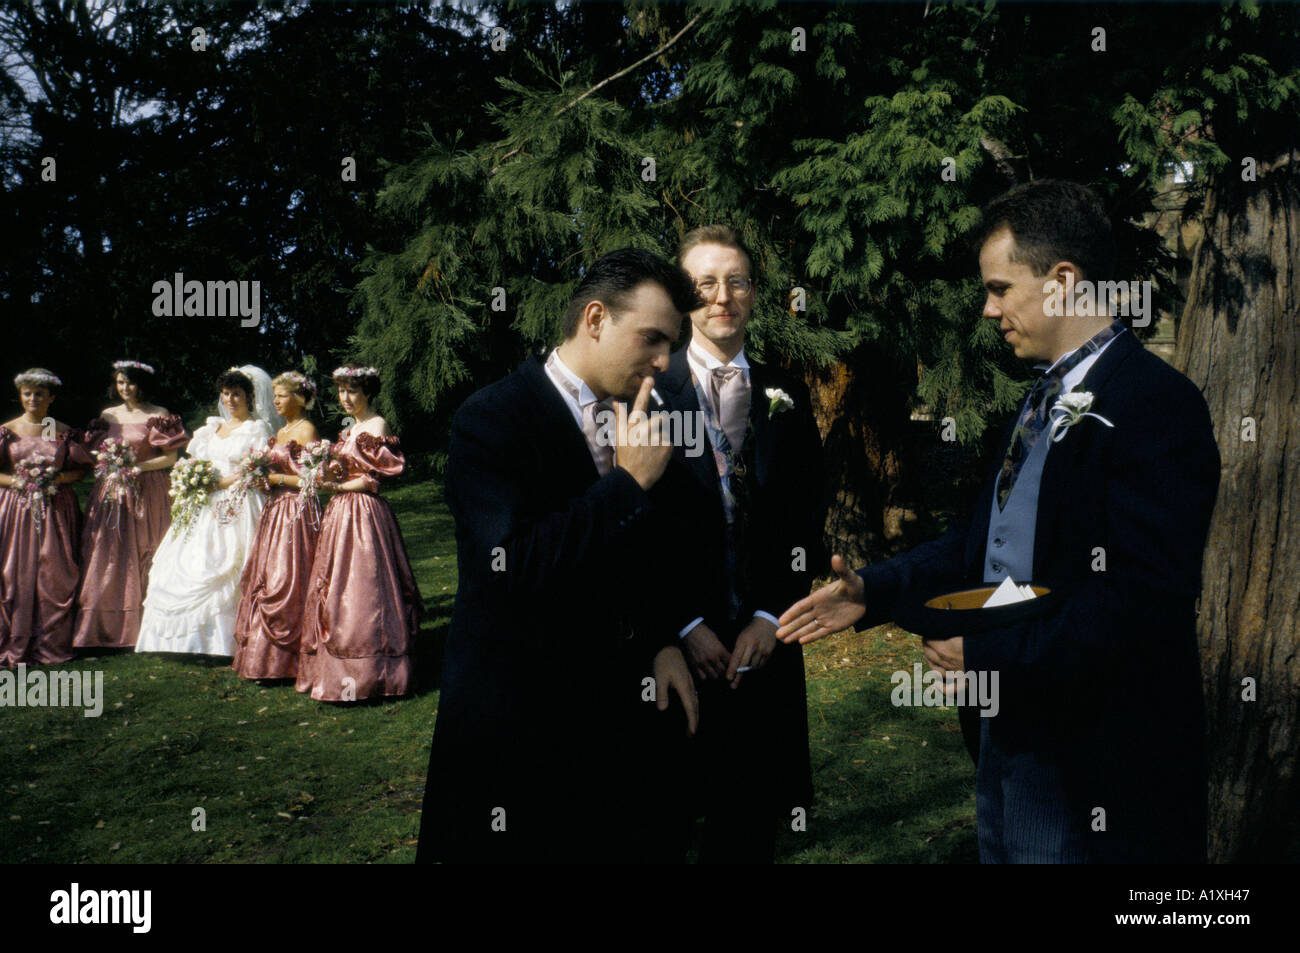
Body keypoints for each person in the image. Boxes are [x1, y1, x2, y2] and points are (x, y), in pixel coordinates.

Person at [777, 179, 1221, 863]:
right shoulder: (1036, 400)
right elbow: (981, 546)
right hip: (1004, 738)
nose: (988, 310)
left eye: (1000, 288)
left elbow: (1141, 601)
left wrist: (989, 658)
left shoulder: (1157, 404)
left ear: (1063, 280)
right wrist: (874, 591)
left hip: (1096, 762)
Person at [418, 248, 705, 863]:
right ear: (595, 318)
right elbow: (510, 566)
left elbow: (647, 556)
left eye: (672, 345)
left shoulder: (645, 417)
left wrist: (662, 640)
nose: (664, 361)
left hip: (625, 730)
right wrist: (626, 484)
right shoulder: (492, 417)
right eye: (652, 339)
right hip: (524, 730)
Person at [655, 224, 825, 862]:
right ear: (682, 296)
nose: (721, 296)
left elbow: (804, 517)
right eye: (704, 284)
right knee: (668, 820)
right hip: (676, 648)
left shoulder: (787, 391)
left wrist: (770, 616)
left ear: (753, 294)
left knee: (749, 828)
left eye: (737, 281)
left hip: (764, 646)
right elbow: (632, 524)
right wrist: (685, 621)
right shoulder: (649, 389)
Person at [294, 364, 420, 702]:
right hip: (341, 512)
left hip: (364, 513)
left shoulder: (376, 425)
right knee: (336, 585)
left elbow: (374, 479)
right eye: (341, 391)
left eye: (352, 391)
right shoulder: (352, 428)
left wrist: (336, 483)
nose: (345, 398)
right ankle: (338, 668)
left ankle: (375, 672)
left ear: (367, 392)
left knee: (365, 586)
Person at [136, 366, 281, 657]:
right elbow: (195, 461)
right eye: (226, 394)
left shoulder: (257, 429)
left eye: (237, 394)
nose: (230, 400)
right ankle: (181, 642)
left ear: (250, 396)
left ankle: (229, 640)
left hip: (239, 499)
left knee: (234, 562)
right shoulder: (211, 428)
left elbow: (255, 469)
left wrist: (220, 483)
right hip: (205, 502)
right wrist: (194, 478)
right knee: (188, 560)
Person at [74, 361, 188, 649]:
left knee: (146, 547)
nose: (125, 388)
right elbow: (94, 454)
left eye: (131, 383)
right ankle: (105, 623)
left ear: (143, 384)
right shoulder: (108, 415)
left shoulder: (158, 414)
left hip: (148, 489)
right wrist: (112, 464)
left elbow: (169, 459)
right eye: (121, 382)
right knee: (109, 551)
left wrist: (135, 466)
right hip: (112, 489)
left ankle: (149, 625)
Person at [233, 371, 320, 679]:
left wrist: (277, 479)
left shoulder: (306, 430)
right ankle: (263, 658)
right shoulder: (283, 431)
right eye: (275, 396)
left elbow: (313, 478)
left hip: (295, 512)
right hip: (275, 510)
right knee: (267, 575)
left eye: (281, 396)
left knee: (288, 578)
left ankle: (288, 659)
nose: (276, 402)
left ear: (299, 398)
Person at [0, 369, 88, 666]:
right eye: (28, 393)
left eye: (40, 394)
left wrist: (53, 478)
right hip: (16, 507)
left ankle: (51, 641)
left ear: (51, 397)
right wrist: (19, 482)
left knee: (54, 573)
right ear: (20, 396)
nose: (33, 399)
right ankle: (14, 637)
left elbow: (80, 470)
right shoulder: (7, 430)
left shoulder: (59, 430)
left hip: (55, 507)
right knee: (15, 573)